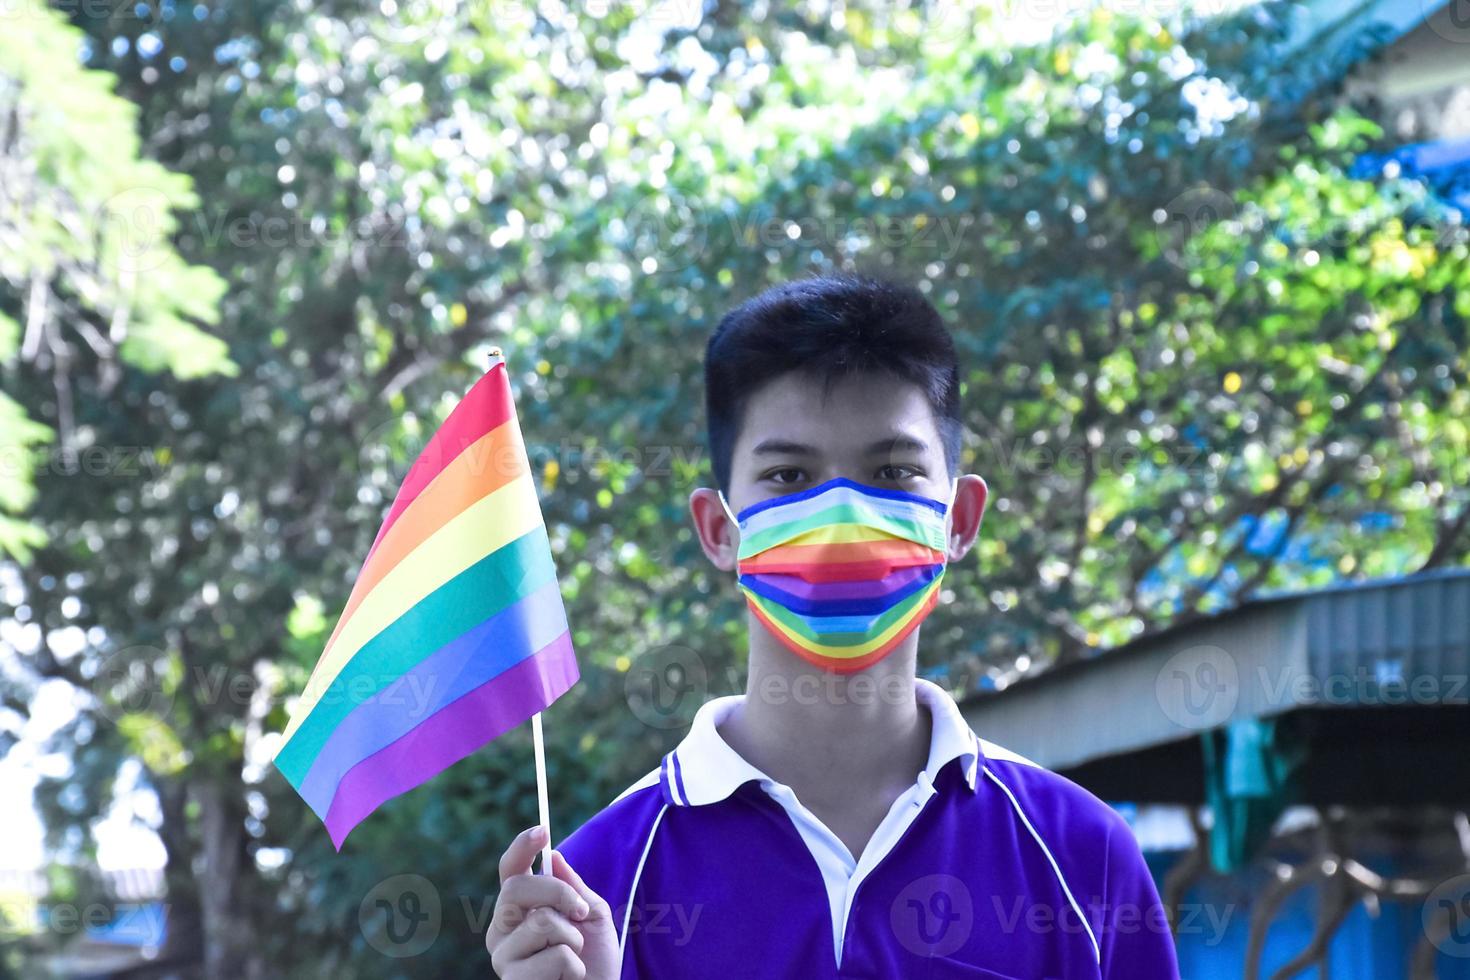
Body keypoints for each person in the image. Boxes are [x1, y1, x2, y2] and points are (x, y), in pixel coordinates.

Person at [485, 274, 1181, 979]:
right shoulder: (593, 889)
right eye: (789, 477)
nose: (843, 517)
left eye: (892, 471)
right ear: (719, 529)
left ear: (959, 521)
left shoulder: (1081, 855)